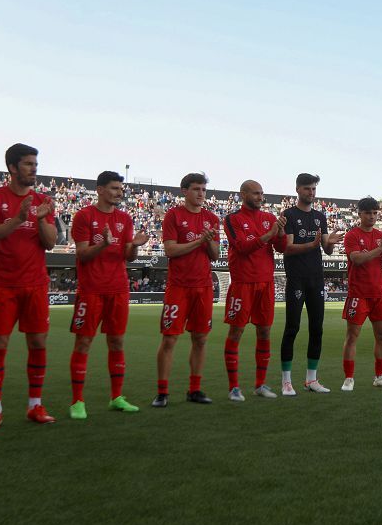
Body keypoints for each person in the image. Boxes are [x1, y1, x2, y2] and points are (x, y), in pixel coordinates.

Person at [0, 143, 58, 430]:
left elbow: (50, 243)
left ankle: (35, 405)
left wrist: (40, 220)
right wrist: (18, 219)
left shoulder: (43, 200)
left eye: (35, 163)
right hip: (2, 285)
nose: (34, 168)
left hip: (35, 284)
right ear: (12, 167)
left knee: (38, 343)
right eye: (27, 164)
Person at [68, 171, 149, 418]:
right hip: (91, 290)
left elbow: (128, 256)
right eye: (114, 188)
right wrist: (103, 244)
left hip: (118, 289)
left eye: (120, 189)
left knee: (117, 342)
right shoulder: (84, 216)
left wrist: (134, 245)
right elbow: (81, 254)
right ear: (100, 189)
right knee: (84, 342)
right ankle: (77, 402)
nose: (119, 192)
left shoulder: (124, 218)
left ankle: (117, 397)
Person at [153, 173, 221, 407]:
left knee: (200, 338)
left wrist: (210, 241)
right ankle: (162, 392)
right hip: (179, 287)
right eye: (196, 189)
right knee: (170, 339)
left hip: (203, 287)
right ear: (184, 191)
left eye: (203, 189)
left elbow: (215, 255)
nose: (201, 193)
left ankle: (195, 389)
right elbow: (170, 250)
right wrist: (199, 241)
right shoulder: (173, 215)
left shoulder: (212, 218)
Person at [223, 180, 287, 401]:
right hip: (242, 284)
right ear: (243, 194)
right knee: (236, 332)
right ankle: (234, 387)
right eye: (256, 193)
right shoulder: (232, 219)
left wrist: (280, 233)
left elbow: (281, 248)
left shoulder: (269, 219)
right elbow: (241, 247)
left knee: (265, 331)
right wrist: (269, 235)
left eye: (262, 193)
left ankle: (260, 384)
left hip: (266, 284)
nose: (260, 197)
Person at [279, 173, 342, 395]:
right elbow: (287, 248)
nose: (311, 192)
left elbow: (325, 247)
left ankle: (311, 380)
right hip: (296, 278)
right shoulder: (288, 214)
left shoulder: (320, 216)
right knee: (292, 328)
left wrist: (330, 243)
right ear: (297, 189)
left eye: (313, 189)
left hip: (316, 279)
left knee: (317, 329)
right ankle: (286, 381)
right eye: (307, 188)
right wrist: (311, 244)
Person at [341, 197, 382, 391]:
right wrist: (379, 248)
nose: (372, 216)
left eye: (375, 213)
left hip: (379, 294)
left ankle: (380, 376)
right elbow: (357, 259)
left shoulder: (381, 235)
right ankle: (349, 378)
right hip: (358, 293)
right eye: (368, 213)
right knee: (352, 336)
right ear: (359, 214)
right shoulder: (352, 235)